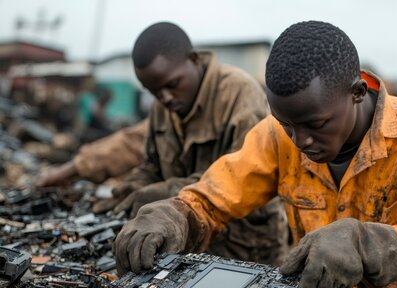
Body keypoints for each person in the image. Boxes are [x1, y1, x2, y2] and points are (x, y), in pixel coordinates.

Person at [114, 21, 397, 288]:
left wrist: (364, 244)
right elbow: (212, 198)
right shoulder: (280, 135)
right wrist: (174, 215)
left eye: (315, 124)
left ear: (357, 93)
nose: (300, 141)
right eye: (287, 124)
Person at [100, 22, 287, 265]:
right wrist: (134, 188)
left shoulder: (239, 94)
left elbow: (239, 178)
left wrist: (164, 192)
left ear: (195, 59)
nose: (164, 97)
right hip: (185, 237)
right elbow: (153, 166)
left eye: (172, 85)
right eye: (154, 91)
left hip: (247, 246)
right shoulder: (162, 106)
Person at [36, 119, 148, 186]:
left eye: (166, 86)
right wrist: (69, 170)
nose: (165, 96)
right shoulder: (158, 112)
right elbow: (130, 144)